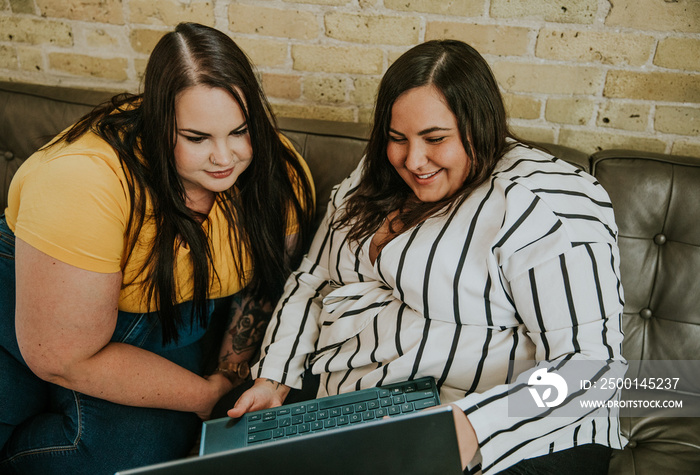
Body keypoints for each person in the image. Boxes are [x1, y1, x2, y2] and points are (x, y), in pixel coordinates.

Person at [228, 40, 626, 474]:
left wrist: (470, 426)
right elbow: (314, 280)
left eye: (435, 139)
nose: (413, 160)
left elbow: (591, 367)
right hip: (366, 403)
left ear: (480, 126)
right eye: (397, 138)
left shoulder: (544, 201)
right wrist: (274, 378)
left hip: (509, 432)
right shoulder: (372, 176)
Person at [0, 22, 314, 475]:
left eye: (239, 131)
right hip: (29, 301)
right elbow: (61, 356)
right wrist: (201, 395)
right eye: (197, 138)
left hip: (161, 316)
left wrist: (227, 377)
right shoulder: (81, 181)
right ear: (159, 123)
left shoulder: (277, 173)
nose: (225, 158)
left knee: (128, 460)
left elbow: (263, 288)